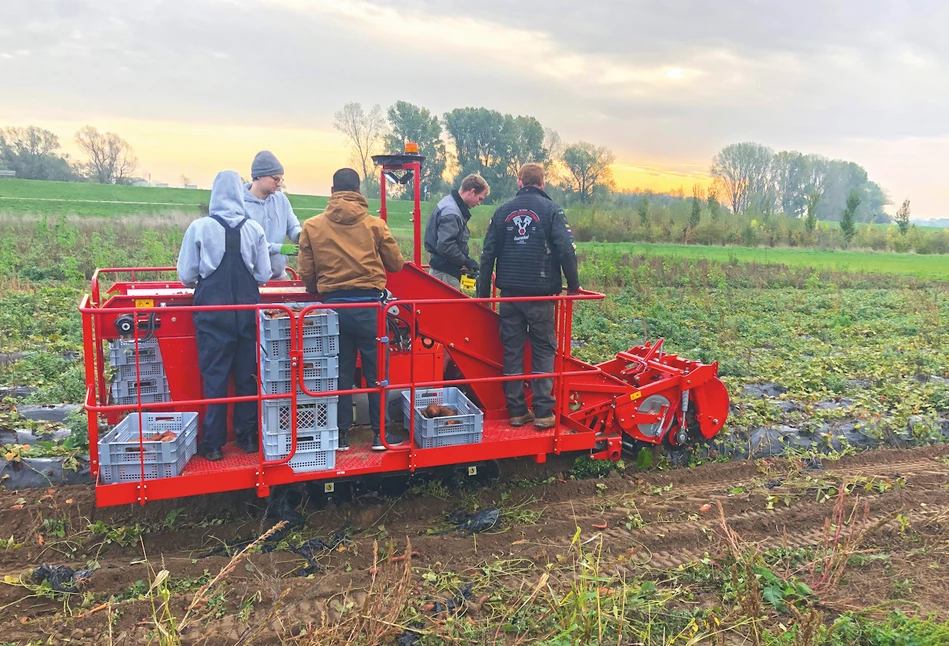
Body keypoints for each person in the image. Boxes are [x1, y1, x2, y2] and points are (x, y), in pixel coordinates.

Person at [297, 168, 406, 452]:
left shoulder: (312, 226)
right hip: (370, 308)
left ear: (332, 191)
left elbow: (307, 275)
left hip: (332, 309)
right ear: (358, 191)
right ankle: (380, 436)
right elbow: (396, 264)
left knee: (339, 373)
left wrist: (318, 288)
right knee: (376, 374)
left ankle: (341, 436)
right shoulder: (375, 225)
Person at [477, 163, 580, 430]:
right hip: (541, 295)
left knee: (511, 352)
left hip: (509, 296)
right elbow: (567, 251)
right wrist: (574, 286)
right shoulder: (552, 210)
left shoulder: (501, 211)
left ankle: (517, 412)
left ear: (519, 182)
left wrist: (482, 298)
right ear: (542, 184)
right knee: (544, 350)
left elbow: (487, 256)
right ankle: (544, 413)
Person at [177, 170, 272, 461]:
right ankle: (248, 438)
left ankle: (214, 445)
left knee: (215, 378)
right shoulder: (254, 229)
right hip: (246, 311)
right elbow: (264, 275)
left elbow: (186, 275)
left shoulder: (200, 227)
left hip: (212, 312)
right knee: (247, 377)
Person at [243, 151, 302, 280]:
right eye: (275, 179)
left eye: (281, 179)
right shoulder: (241, 205)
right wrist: (279, 248)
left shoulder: (281, 200)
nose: (279, 184)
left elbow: (293, 226)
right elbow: (249, 244)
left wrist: (300, 235)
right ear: (259, 176)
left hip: (279, 276)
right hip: (250, 279)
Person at [424, 174, 490, 289]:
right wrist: (466, 261)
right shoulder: (452, 212)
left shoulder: (449, 204)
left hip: (443, 270)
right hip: (445, 274)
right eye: (480, 199)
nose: (479, 203)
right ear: (472, 191)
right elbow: (445, 245)